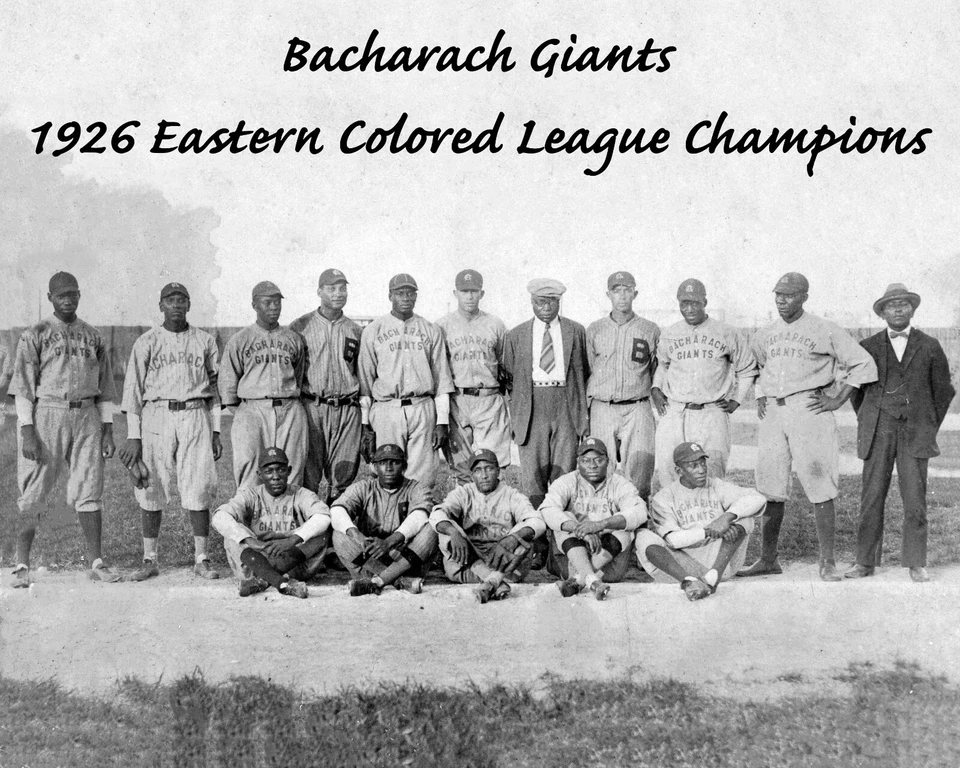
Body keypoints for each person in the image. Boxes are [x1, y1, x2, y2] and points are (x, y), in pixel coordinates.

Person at [738, 272, 877, 581]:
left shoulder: (824, 329)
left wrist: (838, 399)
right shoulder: (765, 333)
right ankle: (767, 559)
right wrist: (761, 394)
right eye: (778, 295)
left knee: (819, 479)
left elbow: (863, 363)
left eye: (788, 295)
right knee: (770, 483)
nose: (781, 300)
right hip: (775, 411)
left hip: (809, 408)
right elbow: (758, 367)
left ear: (804, 297)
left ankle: (827, 562)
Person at [9, 271, 121, 587]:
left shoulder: (94, 336)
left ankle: (97, 561)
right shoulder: (35, 334)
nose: (68, 300)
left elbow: (105, 390)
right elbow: (22, 389)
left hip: (86, 414)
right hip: (47, 413)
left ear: (79, 295)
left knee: (90, 485)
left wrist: (108, 429)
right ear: (50, 298)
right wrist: (27, 429)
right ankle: (21, 564)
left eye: (73, 294)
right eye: (61, 295)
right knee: (34, 488)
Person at [845, 284, 955, 582]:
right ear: (882, 312)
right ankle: (864, 562)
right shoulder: (867, 346)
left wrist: (926, 424)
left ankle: (916, 562)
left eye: (903, 304)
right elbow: (858, 394)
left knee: (915, 498)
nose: (897, 309)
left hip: (915, 432)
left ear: (912, 309)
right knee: (871, 496)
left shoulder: (930, 345)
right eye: (891, 305)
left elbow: (943, 392)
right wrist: (873, 419)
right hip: (878, 431)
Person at [118, 282, 222, 581]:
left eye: (182, 300)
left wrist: (215, 431)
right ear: (161, 305)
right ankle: (150, 559)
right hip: (157, 415)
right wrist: (134, 436)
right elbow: (133, 392)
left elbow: (214, 390)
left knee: (198, 485)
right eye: (170, 300)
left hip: (194, 413)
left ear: (189, 305)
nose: (176, 305)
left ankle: (201, 558)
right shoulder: (147, 341)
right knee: (151, 485)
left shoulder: (205, 341)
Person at [651, 278, 757, 487]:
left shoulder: (726, 332)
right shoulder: (670, 333)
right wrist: (656, 387)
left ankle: (710, 519)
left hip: (711, 412)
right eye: (684, 303)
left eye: (694, 303)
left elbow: (747, 368)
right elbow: (663, 365)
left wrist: (736, 400)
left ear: (704, 302)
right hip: (675, 411)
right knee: (669, 471)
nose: (689, 309)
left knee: (712, 473)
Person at [358, 274, 455, 492]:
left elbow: (441, 379)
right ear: (390, 295)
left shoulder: (430, 329)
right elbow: (365, 381)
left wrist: (442, 421)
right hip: (386, 408)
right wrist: (365, 424)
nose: (406, 298)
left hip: (421, 406)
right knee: (387, 471)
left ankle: (417, 519)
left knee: (423, 476)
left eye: (410, 293)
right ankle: (388, 521)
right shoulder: (374, 330)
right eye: (400, 293)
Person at [637, 441, 766, 600]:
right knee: (642, 535)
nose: (702, 470)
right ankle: (689, 581)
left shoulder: (715, 485)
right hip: (682, 564)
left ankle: (713, 578)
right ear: (679, 470)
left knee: (744, 518)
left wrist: (727, 517)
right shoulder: (664, 497)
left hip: (718, 562)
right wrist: (707, 531)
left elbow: (757, 498)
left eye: (703, 463)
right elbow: (673, 540)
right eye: (694, 466)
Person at [502, 278, 590, 510]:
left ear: (559, 302)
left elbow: (585, 371)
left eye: (552, 302)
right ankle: (537, 535)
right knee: (533, 476)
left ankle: (562, 535)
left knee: (565, 474)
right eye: (541, 302)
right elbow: (510, 376)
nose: (546, 307)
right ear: (532, 302)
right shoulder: (516, 335)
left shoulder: (576, 331)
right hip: (532, 405)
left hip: (565, 404)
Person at [219, 280, 308, 489]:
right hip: (253, 409)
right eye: (267, 302)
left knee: (292, 472)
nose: (274, 307)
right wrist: (247, 412)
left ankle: (288, 521)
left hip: (289, 409)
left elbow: (299, 374)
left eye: (277, 302)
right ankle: (248, 520)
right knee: (250, 471)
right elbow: (228, 387)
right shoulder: (240, 340)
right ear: (254, 305)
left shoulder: (293, 339)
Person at [430, 448, 546, 603]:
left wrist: (514, 537)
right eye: (477, 471)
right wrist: (453, 531)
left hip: (503, 560)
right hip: (470, 560)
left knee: (525, 538)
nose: (483, 475)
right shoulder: (464, 493)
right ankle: (495, 582)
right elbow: (437, 513)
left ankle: (490, 581)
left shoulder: (511, 494)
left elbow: (536, 520)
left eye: (489, 469)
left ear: (498, 471)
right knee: (445, 530)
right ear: (471, 475)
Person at [212, 447, 330, 598]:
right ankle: (282, 583)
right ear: (259, 475)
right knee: (232, 535)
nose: (276, 477)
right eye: (269, 471)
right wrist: (251, 542)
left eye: (281, 470)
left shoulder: (300, 494)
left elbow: (323, 516)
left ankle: (262, 581)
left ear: (289, 471)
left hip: (292, 559)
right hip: (257, 557)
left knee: (321, 533)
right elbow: (219, 516)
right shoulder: (251, 495)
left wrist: (292, 540)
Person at [289, 268, 364, 503]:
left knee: (343, 474)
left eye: (342, 288)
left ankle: (336, 531)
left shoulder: (355, 329)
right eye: (331, 288)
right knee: (309, 474)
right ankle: (311, 531)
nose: (338, 293)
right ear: (319, 291)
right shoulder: (299, 327)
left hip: (346, 407)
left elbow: (360, 372)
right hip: (312, 405)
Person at [539, 437, 647, 600]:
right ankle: (592, 580)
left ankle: (580, 579)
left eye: (598, 460)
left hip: (608, 564)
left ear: (608, 462)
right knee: (565, 518)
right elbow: (547, 510)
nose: (592, 465)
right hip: (571, 560)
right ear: (578, 462)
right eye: (586, 461)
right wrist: (579, 529)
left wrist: (601, 525)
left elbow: (640, 511)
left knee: (627, 528)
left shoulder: (619, 483)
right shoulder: (567, 481)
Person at [586, 271, 660, 501]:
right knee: (598, 469)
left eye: (627, 290)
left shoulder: (650, 329)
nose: (622, 296)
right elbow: (588, 369)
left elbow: (656, 369)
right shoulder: (595, 329)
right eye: (617, 291)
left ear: (635, 293)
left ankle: (637, 528)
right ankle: (600, 527)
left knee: (639, 472)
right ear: (608, 294)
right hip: (603, 406)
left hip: (637, 405)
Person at [329, 444, 439, 596]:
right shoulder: (364, 487)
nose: (388, 468)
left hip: (407, 558)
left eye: (395, 462)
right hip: (370, 559)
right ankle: (399, 580)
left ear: (404, 466)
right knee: (339, 535)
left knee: (432, 529)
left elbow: (420, 515)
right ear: (374, 467)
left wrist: (388, 543)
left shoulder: (416, 488)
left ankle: (378, 582)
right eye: (382, 463)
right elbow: (337, 510)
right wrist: (356, 535)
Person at [436, 269, 511, 483]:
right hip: (457, 399)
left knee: (492, 464)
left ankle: (494, 513)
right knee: (461, 467)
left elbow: (506, 366)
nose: (469, 296)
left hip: (488, 398)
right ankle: (463, 513)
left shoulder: (495, 324)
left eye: (474, 291)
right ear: (455, 293)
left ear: (482, 293)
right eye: (464, 291)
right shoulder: (442, 325)